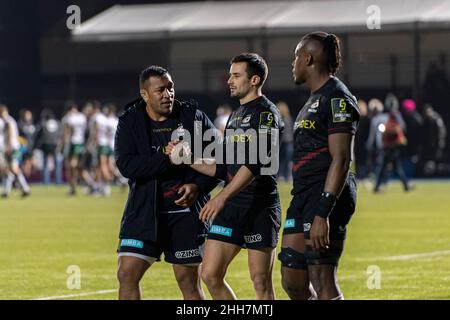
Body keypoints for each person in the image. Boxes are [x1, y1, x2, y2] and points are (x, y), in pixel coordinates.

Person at [169, 53, 283, 300]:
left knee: (260, 282)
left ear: (254, 80)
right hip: (232, 207)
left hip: (259, 206)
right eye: (230, 74)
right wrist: (186, 158)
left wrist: (220, 197)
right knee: (210, 274)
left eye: (236, 75)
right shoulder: (235, 115)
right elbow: (224, 167)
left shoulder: (267, 114)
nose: (229, 80)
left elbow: (256, 163)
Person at [114, 65, 219, 300]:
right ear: (145, 94)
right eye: (160, 90)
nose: (168, 94)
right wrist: (169, 158)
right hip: (143, 212)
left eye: (170, 88)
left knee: (188, 283)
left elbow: (220, 161)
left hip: (186, 215)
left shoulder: (193, 117)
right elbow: (127, 166)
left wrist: (198, 186)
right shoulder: (130, 121)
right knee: (126, 274)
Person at [278, 32, 359, 300]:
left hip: (325, 196)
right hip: (302, 194)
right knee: (292, 277)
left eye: (296, 57)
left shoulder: (337, 97)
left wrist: (323, 212)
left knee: (322, 277)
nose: (293, 63)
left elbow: (342, 158)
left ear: (308, 58)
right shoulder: (312, 100)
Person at [0, 105, 31, 198]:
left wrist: (8, 147)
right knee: (9, 169)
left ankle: (25, 188)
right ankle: (7, 191)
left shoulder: (8, 121)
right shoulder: (7, 120)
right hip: (9, 147)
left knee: (12, 168)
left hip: (12, 148)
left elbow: (10, 134)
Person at [61, 101, 87, 195]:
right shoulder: (82, 117)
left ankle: (73, 186)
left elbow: (66, 133)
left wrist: (62, 146)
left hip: (72, 143)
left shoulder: (68, 118)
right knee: (76, 166)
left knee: (70, 166)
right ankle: (74, 186)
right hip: (80, 142)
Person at [35, 108, 63, 184]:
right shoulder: (57, 123)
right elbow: (60, 134)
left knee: (45, 164)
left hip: (46, 145)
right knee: (57, 164)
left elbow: (39, 134)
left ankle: (46, 181)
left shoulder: (43, 123)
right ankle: (58, 181)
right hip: (55, 145)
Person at [277, 101, 294, 182]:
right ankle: (280, 175)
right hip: (280, 143)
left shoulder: (288, 119)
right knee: (280, 160)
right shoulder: (277, 120)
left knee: (288, 160)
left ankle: (288, 175)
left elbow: (290, 131)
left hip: (288, 142)